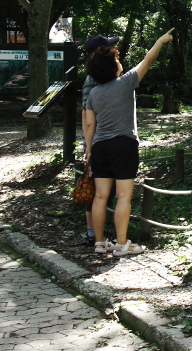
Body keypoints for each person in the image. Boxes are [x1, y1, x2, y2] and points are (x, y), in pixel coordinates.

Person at [85, 28, 174, 256]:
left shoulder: (94, 93)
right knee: (124, 196)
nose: (119, 60)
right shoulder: (125, 83)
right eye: (116, 58)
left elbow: (89, 124)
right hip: (123, 144)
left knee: (100, 196)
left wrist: (89, 149)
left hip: (100, 147)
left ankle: (100, 242)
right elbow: (148, 59)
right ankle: (122, 243)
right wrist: (161, 41)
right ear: (111, 66)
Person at [80, 34, 119, 246]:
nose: (115, 50)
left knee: (98, 190)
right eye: (111, 48)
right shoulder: (94, 79)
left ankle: (94, 233)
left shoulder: (96, 77)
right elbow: (87, 116)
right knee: (98, 191)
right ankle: (94, 234)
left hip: (96, 142)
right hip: (99, 143)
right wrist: (90, 146)